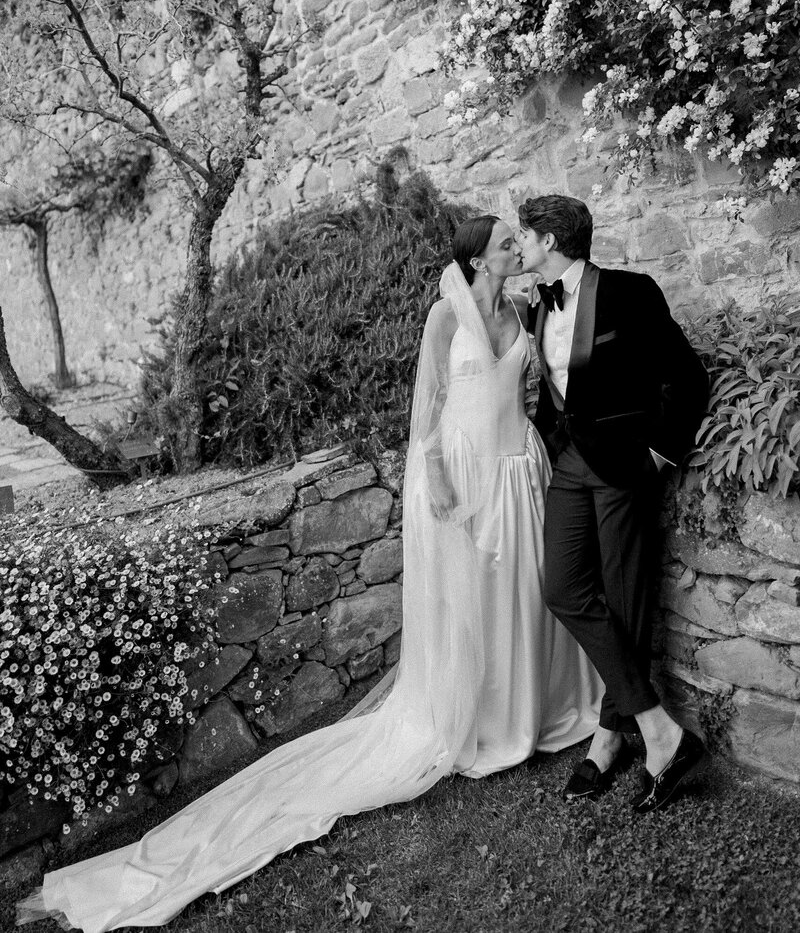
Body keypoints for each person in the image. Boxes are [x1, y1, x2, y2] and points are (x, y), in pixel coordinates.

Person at [18, 216, 602, 933]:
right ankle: (474, 718)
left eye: (522, 241)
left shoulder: (519, 310)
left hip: (518, 474)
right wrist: (439, 478)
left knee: (520, 597)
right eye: (509, 243)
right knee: (471, 606)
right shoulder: (444, 315)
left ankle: (526, 712)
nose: (520, 250)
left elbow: (539, 393)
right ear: (479, 256)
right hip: (463, 480)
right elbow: (428, 410)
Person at [516, 194, 710, 812]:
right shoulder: (535, 308)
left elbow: (686, 376)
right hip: (569, 465)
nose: (519, 247)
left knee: (625, 597)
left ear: (549, 240)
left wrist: (660, 454)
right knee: (564, 588)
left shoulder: (630, 291)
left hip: (625, 464)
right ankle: (660, 729)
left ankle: (608, 738)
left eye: (524, 237)